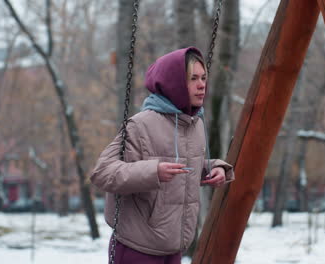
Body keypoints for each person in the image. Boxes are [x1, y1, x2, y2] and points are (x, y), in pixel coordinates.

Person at [90, 46, 235, 264]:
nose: (202, 84)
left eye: (204, 77)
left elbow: (185, 165)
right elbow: (102, 172)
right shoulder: (141, 124)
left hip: (173, 248)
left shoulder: (195, 124)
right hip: (137, 248)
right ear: (173, 83)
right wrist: (153, 171)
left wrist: (216, 167)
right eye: (193, 78)